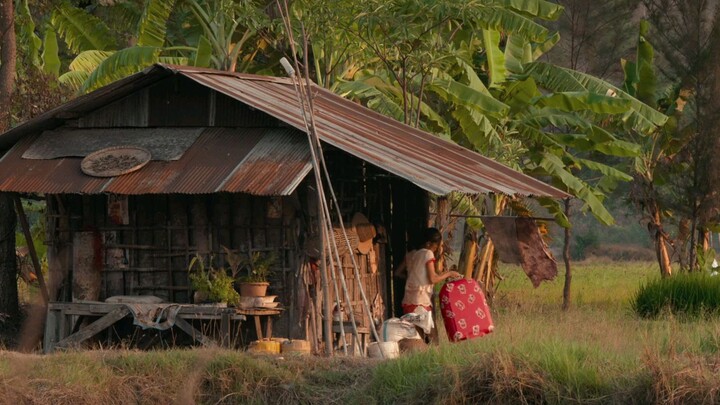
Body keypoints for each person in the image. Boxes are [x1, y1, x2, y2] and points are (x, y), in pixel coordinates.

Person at [396, 227, 462, 315]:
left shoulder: (410, 255)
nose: (434, 251)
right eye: (435, 248)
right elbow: (433, 279)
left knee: (411, 328)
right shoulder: (427, 253)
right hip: (420, 302)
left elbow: (397, 273)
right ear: (428, 244)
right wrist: (449, 273)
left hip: (408, 301)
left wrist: (412, 278)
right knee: (423, 328)